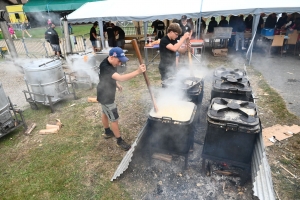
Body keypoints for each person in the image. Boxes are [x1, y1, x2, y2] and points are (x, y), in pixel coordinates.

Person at [97, 47, 146, 151]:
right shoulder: (106, 66)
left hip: (102, 93)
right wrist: (137, 71)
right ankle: (119, 141)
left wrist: (116, 84)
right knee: (114, 119)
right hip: (106, 97)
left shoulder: (111, 63)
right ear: (112, 57)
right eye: (119, 61)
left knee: (105, 112)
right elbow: (121, 77)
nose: (119, 64)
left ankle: (107, 132)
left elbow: (111, 77)